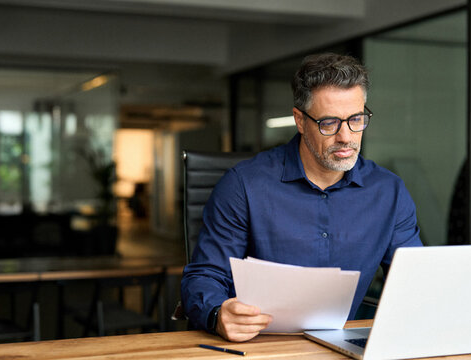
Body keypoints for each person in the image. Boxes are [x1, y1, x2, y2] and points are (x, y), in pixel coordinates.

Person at [180, 53, 422, 342]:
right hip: (258, 346)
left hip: (344, 346)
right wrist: (218, 314)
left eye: (356, 119)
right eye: (330, 123)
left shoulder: (389, 192)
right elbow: (204, 276)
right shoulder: (243, 185)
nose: (346, 137)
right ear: (299, 120)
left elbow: (415, 281)